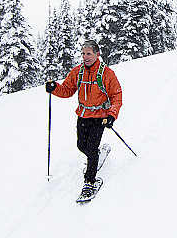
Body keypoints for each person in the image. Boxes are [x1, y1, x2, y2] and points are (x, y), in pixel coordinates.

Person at [45, 39, 122, 197]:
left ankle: (90, 181)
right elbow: (67, 90)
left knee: (92, 148)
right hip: (83, 114)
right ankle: (95, 158)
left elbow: (116, 96)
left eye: (89, 53)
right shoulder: (77, 72)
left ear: (97, 54)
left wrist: (112, 115)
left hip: (100, 116)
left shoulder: (107, 73)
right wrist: (54, 88)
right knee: (81, 145)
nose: (85, 57)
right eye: (83, 53)